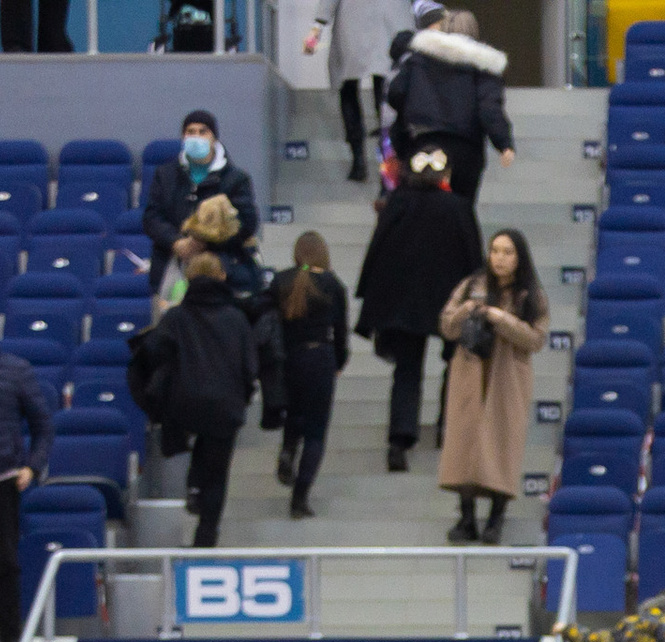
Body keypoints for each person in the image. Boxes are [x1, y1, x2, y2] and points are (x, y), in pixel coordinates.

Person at [353, 148, 481, 474]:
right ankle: (446, 427)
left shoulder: (399, 203)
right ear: (445, 175)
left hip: (405, 302)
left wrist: (367, 294)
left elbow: (377, 249)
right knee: (454, 363)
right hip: (449, 301)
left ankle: (400, 440)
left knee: (407, 370)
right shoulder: (459, 207)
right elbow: (473, 257)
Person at [127, 253, 256, 548]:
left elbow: (154, 354)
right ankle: (205, 538)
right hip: (225, 404)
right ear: (222, 276)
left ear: (188, 278)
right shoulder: (236, 318)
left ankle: (193, 486)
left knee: (197, 440)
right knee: (218, 472)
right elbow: (249, 366)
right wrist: (244, 396)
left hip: (185, 402)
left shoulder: (176, 318)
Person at [436, 227, 545, 547]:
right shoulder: (471, 285)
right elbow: (446, 326)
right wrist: (467, 310)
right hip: (469, 371)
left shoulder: (529, 294)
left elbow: (536, 339)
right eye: (495, 251)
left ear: (519, 257)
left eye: (507, 252)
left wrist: (501, 318)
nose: (499, 258)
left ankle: (496, 518)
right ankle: (466, 517)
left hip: (507, 374)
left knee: (502, 441)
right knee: (464, 440)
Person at [387, 5, 514, 206]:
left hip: (423, 142)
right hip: (466, 148)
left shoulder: (419, 59)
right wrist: (504, 143)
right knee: (462, 207)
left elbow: (396, 93)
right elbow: (489, 108)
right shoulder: (483, 65)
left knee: (422, 207)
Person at [266, 235, 349, 522]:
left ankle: (288, 450)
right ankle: (299, 497)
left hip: (290, 358)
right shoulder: (333, 284)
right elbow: (341, 330)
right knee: (316, 432)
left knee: (295, 412)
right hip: (320, 357)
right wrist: (340, 361)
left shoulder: (281, 281)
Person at [142, 109, 260, 294]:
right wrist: (177, 242)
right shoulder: (164, 175)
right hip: (171, 268)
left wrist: (203, 242)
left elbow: (246, 224)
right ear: (183, 137)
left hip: (223, 272)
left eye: (203, 131)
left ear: (214, 138)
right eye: (190, 132)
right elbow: (152, 217)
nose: (196, 137)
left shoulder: (236, 179)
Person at [306, 0, 409, 181]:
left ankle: (359, 160)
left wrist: (317, 27)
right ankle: (389, 160)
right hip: (390, 20)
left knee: (349, 87)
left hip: (352, 20)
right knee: (384, 90)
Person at [0, 328, 54, 642]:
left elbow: (43, 426)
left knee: (5, 563)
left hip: (4, 482)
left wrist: (32, 466)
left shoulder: (16, 370)